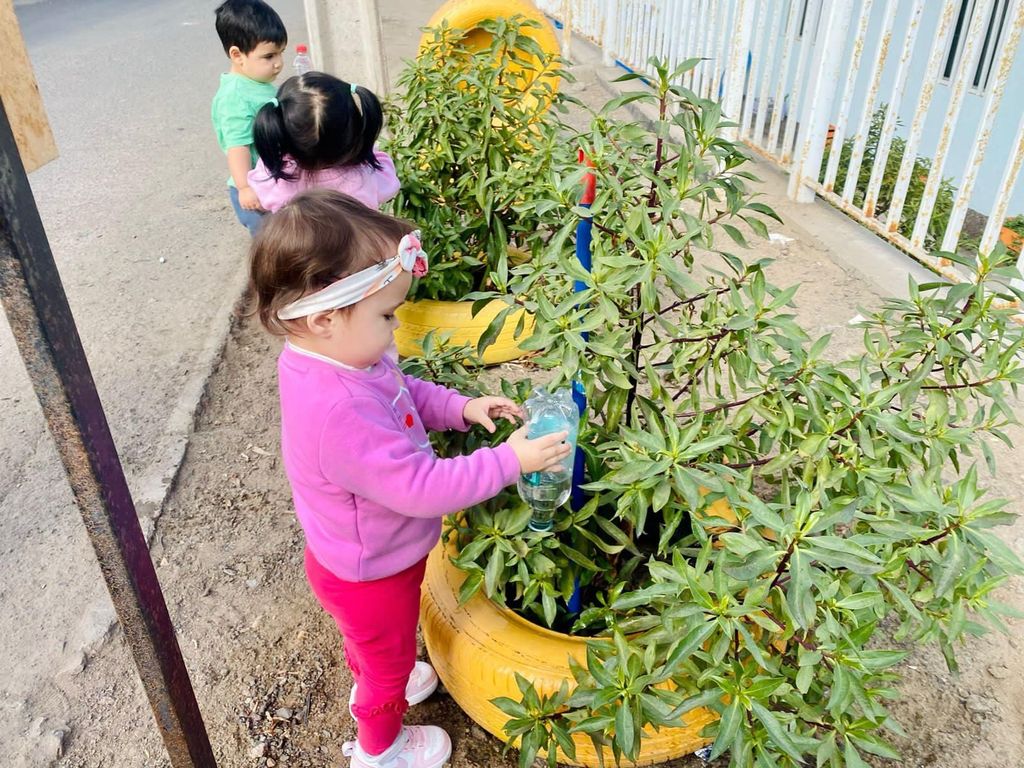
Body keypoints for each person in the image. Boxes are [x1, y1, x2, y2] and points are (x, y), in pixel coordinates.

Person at [249, 189, 571, 768]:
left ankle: (373, 670)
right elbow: (422, 488)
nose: (396, 330)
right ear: (325, 319)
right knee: (386, 666)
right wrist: (510, 462)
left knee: (374, 647)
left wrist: (461, 407)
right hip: (369, 573)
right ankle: (379, 748)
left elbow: (405, 390)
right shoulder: (337, 409)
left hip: (362, 556)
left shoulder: (344, 358)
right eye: (387, 315)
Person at [248, 73, 399, 213]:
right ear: (354, 131)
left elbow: (260, 187)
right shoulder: (367, 174)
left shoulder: (277, 180)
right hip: (362, 241)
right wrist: (366, 151)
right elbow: (390, 184)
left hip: (299, 243)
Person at [211, 0, 287, 236]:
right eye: (269, 56)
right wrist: (245, 187)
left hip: (271, 181)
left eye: (281, 53)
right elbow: (237, 146)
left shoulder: (256, 83)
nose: (278, 64)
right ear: (237, 55)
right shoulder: (236, 96)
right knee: (273, 245)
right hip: (255, 190)